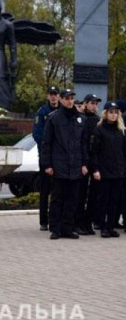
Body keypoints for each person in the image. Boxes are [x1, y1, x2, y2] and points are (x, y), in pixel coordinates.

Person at [39, 88, 89, 240]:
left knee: (72, 199)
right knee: (57, 199)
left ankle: (68, 228)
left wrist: (85, 164)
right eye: (67, 98)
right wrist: (47, 164)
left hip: (75, 166)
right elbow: (46, 143)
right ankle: (56, 228)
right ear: (61, 99)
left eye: (72, 98)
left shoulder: (81, 119)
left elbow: (84, 144)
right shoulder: (53, 118)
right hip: (59, 165)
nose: (70, 101)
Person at [89, 102, 126, 238]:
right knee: (103, 201)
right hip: (104, 172)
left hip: (118, 172)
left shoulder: (120, 131)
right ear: (105, 113)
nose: (113, 115)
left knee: (114, 202)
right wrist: (96, 169)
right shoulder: (99, 130)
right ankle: (103, 227)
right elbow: (94, 152)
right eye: (111, 112)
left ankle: (111, 227)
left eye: (116, 112)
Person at [32, 87, 59, 231]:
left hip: (59, 158)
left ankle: (56, 218)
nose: (54, 97)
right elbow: (37, 135)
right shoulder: (42, 112)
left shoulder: (62, 111)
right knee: (45, 190)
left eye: (56, 95)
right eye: (51, 95)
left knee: (58, 190)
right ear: (48, 96)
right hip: (45, 157)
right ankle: (44, 221)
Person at [75, 93, 101, 235]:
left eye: (96, 104)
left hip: (95, 161)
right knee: (81, 193)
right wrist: (83, 163)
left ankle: (88, 222)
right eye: (92, 103)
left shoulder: (98, 121)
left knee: (94, 195)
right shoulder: (81, 119)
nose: (94, 106)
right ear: (85, 104)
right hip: (84, 161)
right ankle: (78, 223)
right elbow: (82, 143)